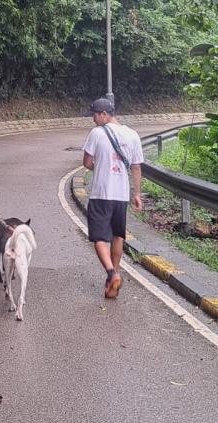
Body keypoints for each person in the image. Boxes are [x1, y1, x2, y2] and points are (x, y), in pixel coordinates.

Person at [81, 97, 144, 299]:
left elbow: (87, 162)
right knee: (118, 235)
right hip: (121, 194)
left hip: (101, 193)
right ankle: (113, 278)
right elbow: (136, 167)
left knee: (99, 237)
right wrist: (136, 194)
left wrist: (98, 166)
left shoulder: (97, 134)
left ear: (105, 114)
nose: (93, 119)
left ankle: (111, 273)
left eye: (95, 115)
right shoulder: (133, 134)